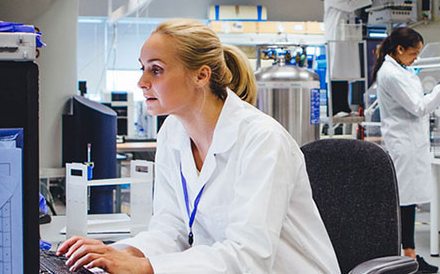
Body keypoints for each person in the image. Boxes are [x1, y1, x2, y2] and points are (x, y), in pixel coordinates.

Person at [56, 19, 339, 273]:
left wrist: (146, 267)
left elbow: (248, 258)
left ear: (202, 75)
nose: (142, 82)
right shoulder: (172, 133)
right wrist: (121, 253)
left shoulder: (262, 140)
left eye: (156, 70)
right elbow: (172, 228)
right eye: (142, 69)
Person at [372, 27, 440, 273]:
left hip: (412, 144)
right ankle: (405, 257)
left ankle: (409, 255)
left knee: (409, 201)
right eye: (413, 53)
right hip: (404, 146)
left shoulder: (399, 70)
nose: (416, 57)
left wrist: (411, 75)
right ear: (399, 50)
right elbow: (419, 106)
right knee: (403, 202)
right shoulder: (391, 75)